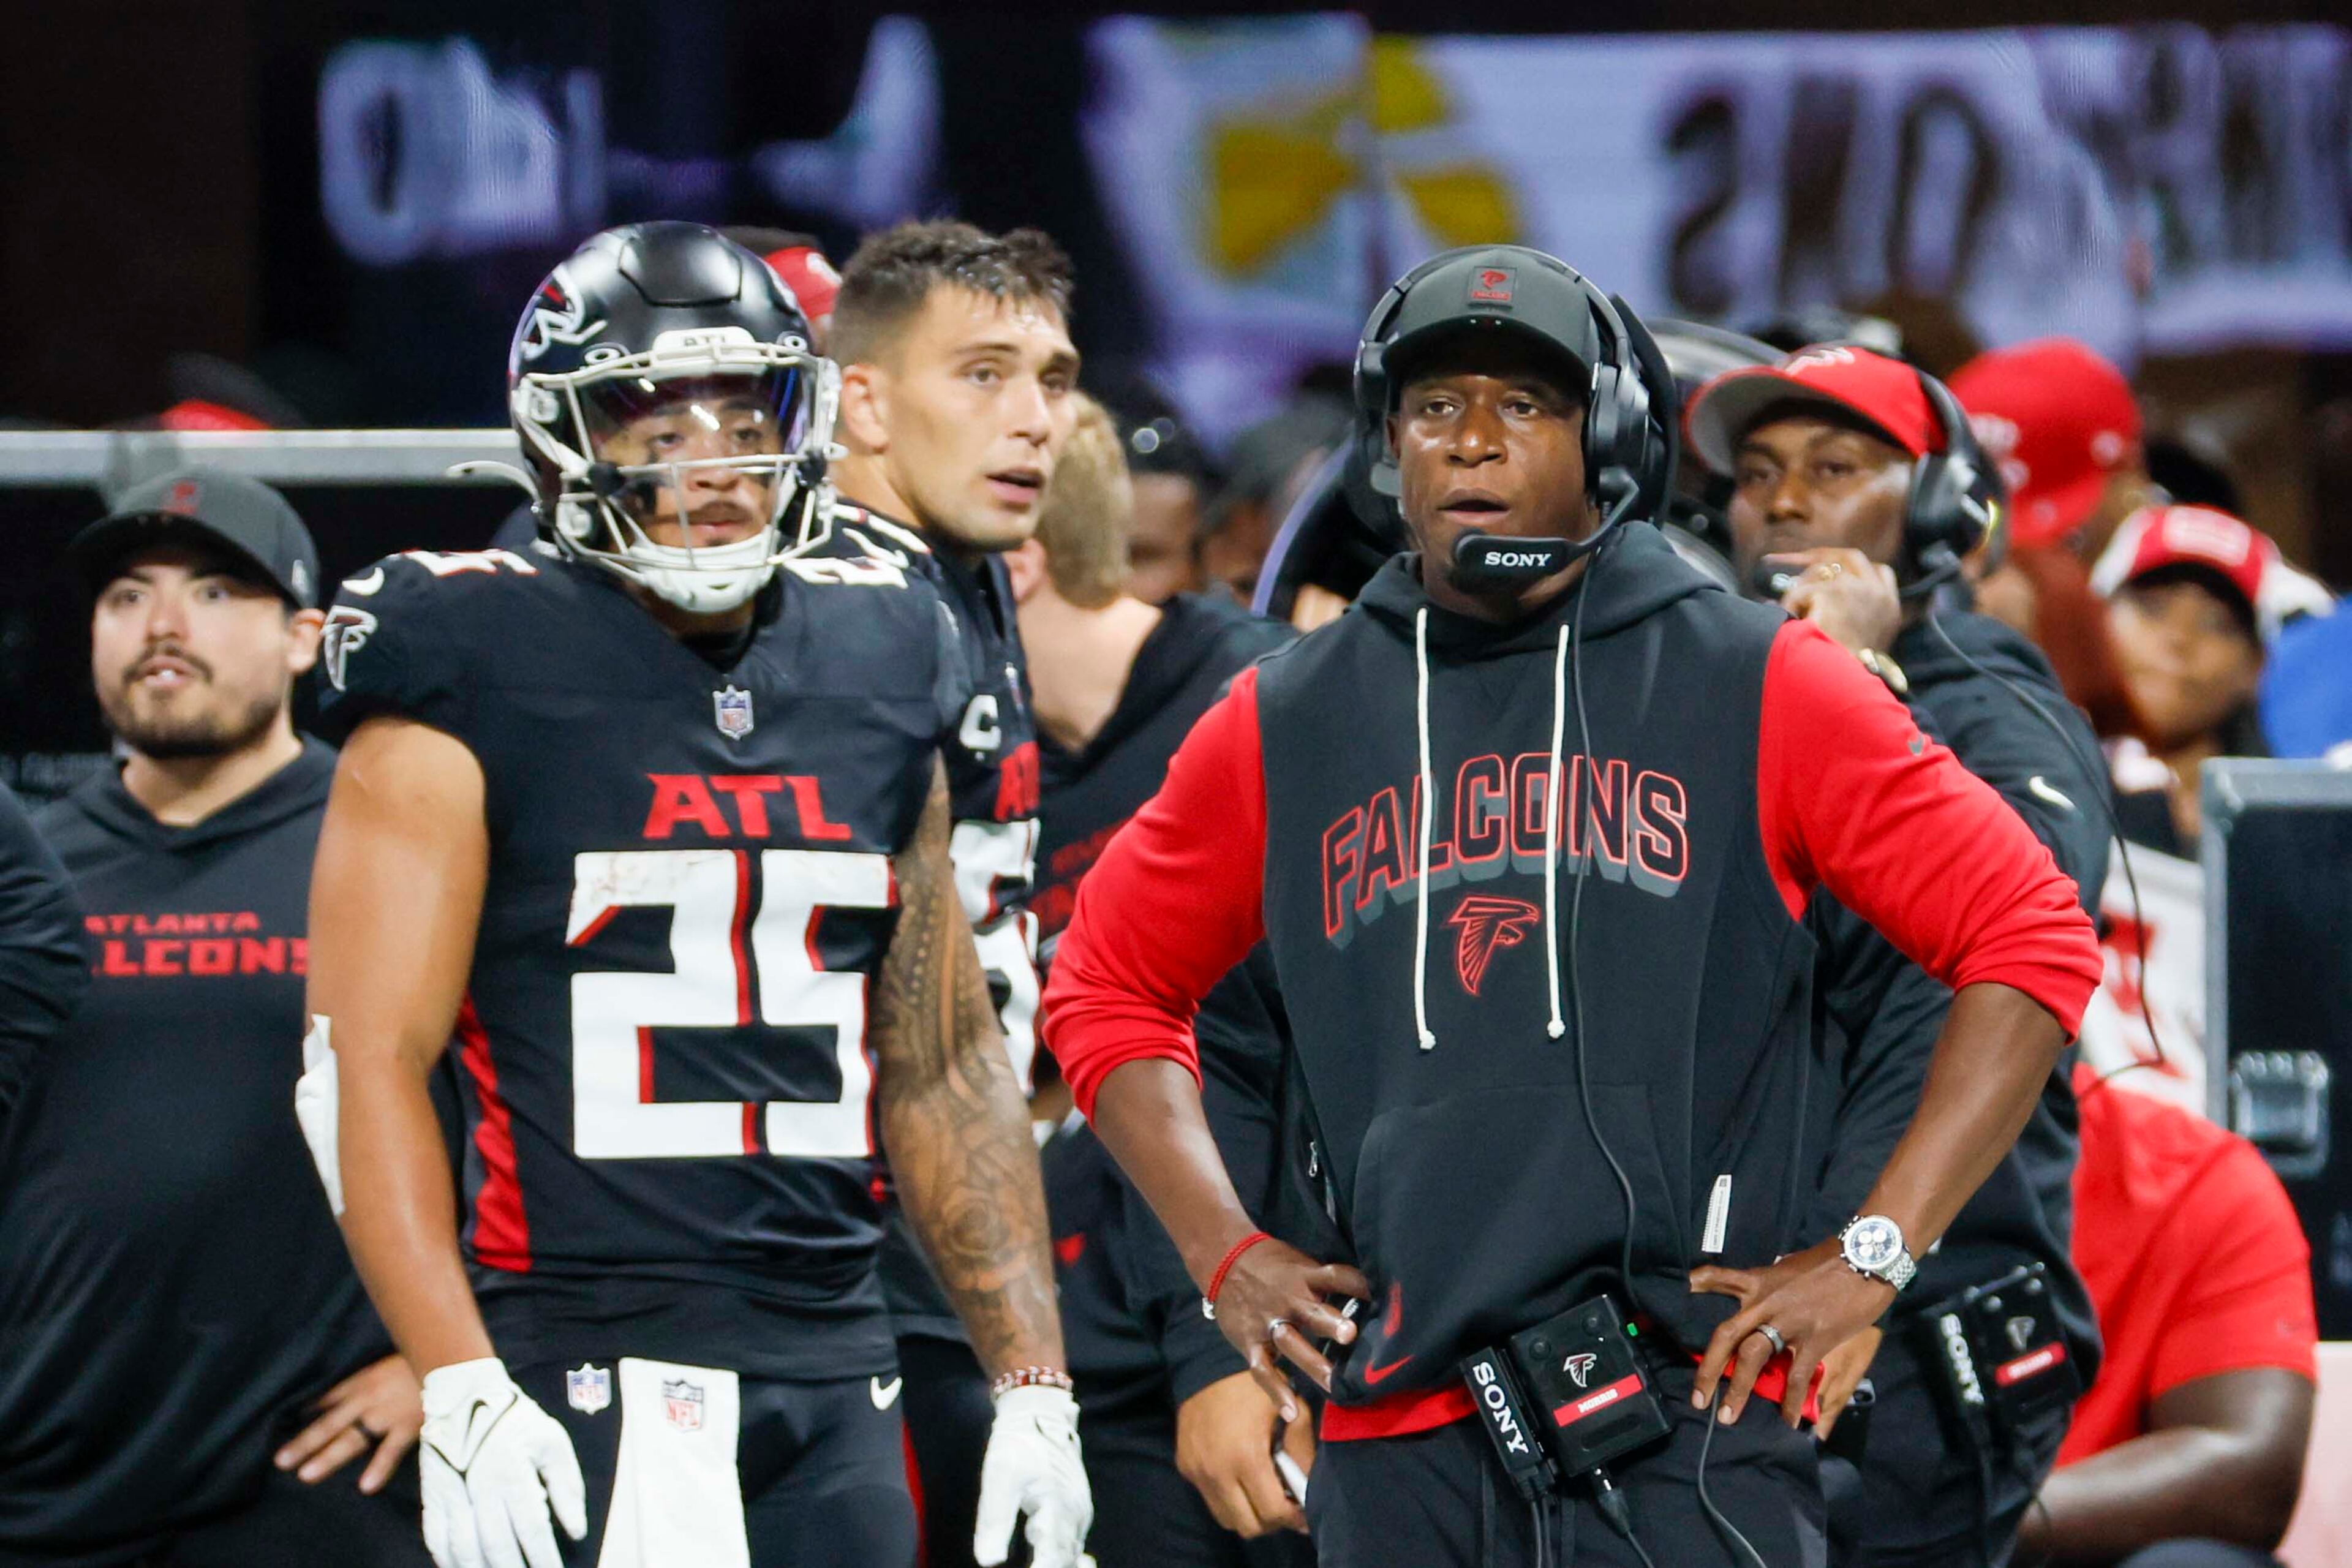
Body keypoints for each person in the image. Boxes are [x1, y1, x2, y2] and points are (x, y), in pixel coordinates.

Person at [1044, 244, 2103, 1568]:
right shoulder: (1286, 714)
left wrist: (1874, 1250)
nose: (1474, 442)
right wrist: (1221, 1250)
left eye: (1525, 405)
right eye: (1437, 408)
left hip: (1681, 1424)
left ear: (1607, 437)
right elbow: (1103, 984)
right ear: (1390, 444)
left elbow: (2033, 934)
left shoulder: (1758, 676)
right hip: (1394, 1436)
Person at [304, 224, 1087, 1568]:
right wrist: (459, 1373)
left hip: (840, 1349)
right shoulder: (471, 649)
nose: (715, 459)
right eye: (657, 421)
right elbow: (362, 1064)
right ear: (567, 441)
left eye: (744, 411)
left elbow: (947, 1054)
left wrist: (1032, 1377)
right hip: (582, 1342)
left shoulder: (886, 639)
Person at [1686, 345, 2113, 1567]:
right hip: (1760, 1311)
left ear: (1938, 509)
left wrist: (1856, 1254)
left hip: (1919, 1317)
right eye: (1759, 472)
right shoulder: (1726, 696)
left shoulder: (1994, 705)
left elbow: (1987, 959)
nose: (1783, 499)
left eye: (1836, 467)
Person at [1, 470, 427, 1567]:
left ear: (304, 639)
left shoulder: (396, 841)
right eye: (127, 597)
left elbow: (535, 1108)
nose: (164, 626)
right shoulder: (28, 875)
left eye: (215, 591)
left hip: (317, 1477)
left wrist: (451, 1356)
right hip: (52, 1466)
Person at [1009, 394, 1305, 1567]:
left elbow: (1283, 1063)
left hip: (1283, 1349)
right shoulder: (963, 752)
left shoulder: (1264, 704)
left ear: (1015, 563)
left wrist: (1227, 1350)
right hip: (1091, 1358)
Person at [823, 218, 1077, 1568]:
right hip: (844, 1253)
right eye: (983, 374)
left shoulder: (961, 580)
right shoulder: (822, 615)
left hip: (950, 1234)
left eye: (1052, 376)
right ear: (861, 398)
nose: (1034, 418)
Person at [2016, 1065, 2317, 1567]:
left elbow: (2251, 1470)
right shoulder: (1851, 1174)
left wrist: (1966, 1525)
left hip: (2070, 1546)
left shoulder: (2197, 1178)